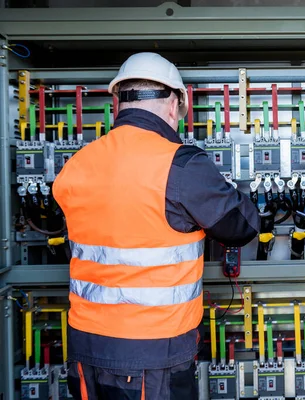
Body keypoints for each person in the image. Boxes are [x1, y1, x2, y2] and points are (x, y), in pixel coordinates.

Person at [53, 52, 260, 399]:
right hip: (151, 354)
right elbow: (240, 227)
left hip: (84, 346)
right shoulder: (179, 164)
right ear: (175, 102)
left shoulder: (77, 164)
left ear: (117, 102)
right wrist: (238, 187)